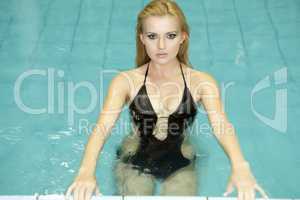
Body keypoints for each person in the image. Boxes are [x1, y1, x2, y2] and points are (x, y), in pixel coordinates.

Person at [65, 0, 269, 199]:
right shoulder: (126, 81)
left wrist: (240, 166)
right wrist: (86, 171)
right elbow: (102, 128)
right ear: (142, 38)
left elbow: (221, 125)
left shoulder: (201, 82)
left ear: (183, 37)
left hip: (181, 159)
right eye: (152, 36)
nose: (161, 45)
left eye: (170, 36)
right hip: (134, 157)